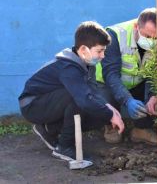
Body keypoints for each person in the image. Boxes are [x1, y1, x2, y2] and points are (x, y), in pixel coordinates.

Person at [18, 21, 124, 163]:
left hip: (49, 102)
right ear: (83, 49)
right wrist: (110, 114)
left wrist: (107, 107)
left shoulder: (87, 64)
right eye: (99, 51)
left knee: (97, 112)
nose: (103, 56)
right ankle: (64, 147)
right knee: (79, 98)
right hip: (32, 105)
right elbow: (85, 99)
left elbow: (92, 89)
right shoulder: (68, 67)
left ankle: (50, 129)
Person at [96, 8, 157, 145]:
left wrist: (152, 95)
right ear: (136, 27)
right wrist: (127, 100)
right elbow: (111, 74)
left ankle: (141, 129)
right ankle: (111, 126)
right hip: (107, 83)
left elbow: (154, 75)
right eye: (147, 36)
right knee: (106, 98)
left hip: (136, 82)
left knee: (152, 100)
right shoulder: (115, 35)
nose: (151, 41)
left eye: (155, 37)